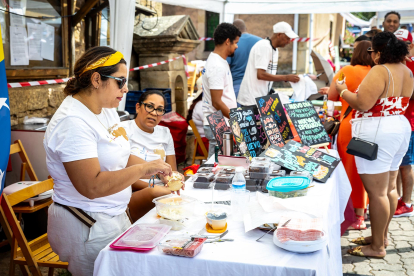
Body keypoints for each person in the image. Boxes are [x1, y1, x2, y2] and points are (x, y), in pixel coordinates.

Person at [44, 46, 172, 275]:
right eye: (120, 81)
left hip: (112, 216)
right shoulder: (73, 122)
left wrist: (154, 169)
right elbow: (92, 186)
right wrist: (144, 167)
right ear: (96, 79)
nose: (125, 89)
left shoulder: (105, 109)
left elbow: (120, 155)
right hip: (87, 224)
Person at [336, 32, 413, 258]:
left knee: (377, 192)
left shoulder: (381, 70)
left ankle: (377, 247)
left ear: (380, 51)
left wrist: (342, 90)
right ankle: (382, 236)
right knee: (389, 188)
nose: (372, 56)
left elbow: (362, 103)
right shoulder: (407, 71)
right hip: (400, 126)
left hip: (379, 130)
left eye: (373, 51)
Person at [327, 41, 375, 230]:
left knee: (348, 172)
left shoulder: (346, 70)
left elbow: (332, 97)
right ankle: (362, 213)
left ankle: (349, 214)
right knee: (366, 171)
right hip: (371, 127)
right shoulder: (376, 73)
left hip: (349, 127)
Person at [120, 90, 184, 222]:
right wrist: (154, 188)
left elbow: (172, 170)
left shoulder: (165, 132)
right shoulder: (123, 130)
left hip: (163, 189)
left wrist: (175, 179)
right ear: (138, 107)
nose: (154, 113)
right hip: (133, 191)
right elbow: (119, 173)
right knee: (160, 194)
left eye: (159, 110)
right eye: (149, 106)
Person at [237, 21, 300, 106]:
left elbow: (267, 75)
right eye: (288, 38)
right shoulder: (264, 46)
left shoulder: (274, 50)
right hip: (251, 100)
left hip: (261, 98)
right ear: (279, 35)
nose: (289, 41)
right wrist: (286, 77)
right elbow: (261, 75)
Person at [202, 22, 241, 157]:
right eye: (235, 42)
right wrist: (236, 120)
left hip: (221, 123)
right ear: (227, 41)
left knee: (223, 164)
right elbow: (216, 102)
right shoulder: (217, 66)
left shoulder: (219, 61)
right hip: (218, 124)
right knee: (216, 165)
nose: (236, 46)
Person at [394, 29, 414, 217]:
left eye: (405, 44)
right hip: (397, 121)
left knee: (406, 164)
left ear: (411, 46)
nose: (401, 48)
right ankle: (398, 198)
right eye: (397, 43)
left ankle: (407, 203)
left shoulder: (411, 66)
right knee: (398, 163)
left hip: (409, 122)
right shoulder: (394, 65)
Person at [226, 19, 261, 100]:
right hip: (257, 87)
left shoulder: (231, 43)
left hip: (237, 87)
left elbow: (226, 68)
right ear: (246, 28)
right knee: (256, 112)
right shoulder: (260, 41)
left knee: (238, 112)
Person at [187, 90, 209, 156]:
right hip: (204, 144)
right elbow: (212, 124)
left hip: (207, 141)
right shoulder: (202, 105)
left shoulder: (204, 104)